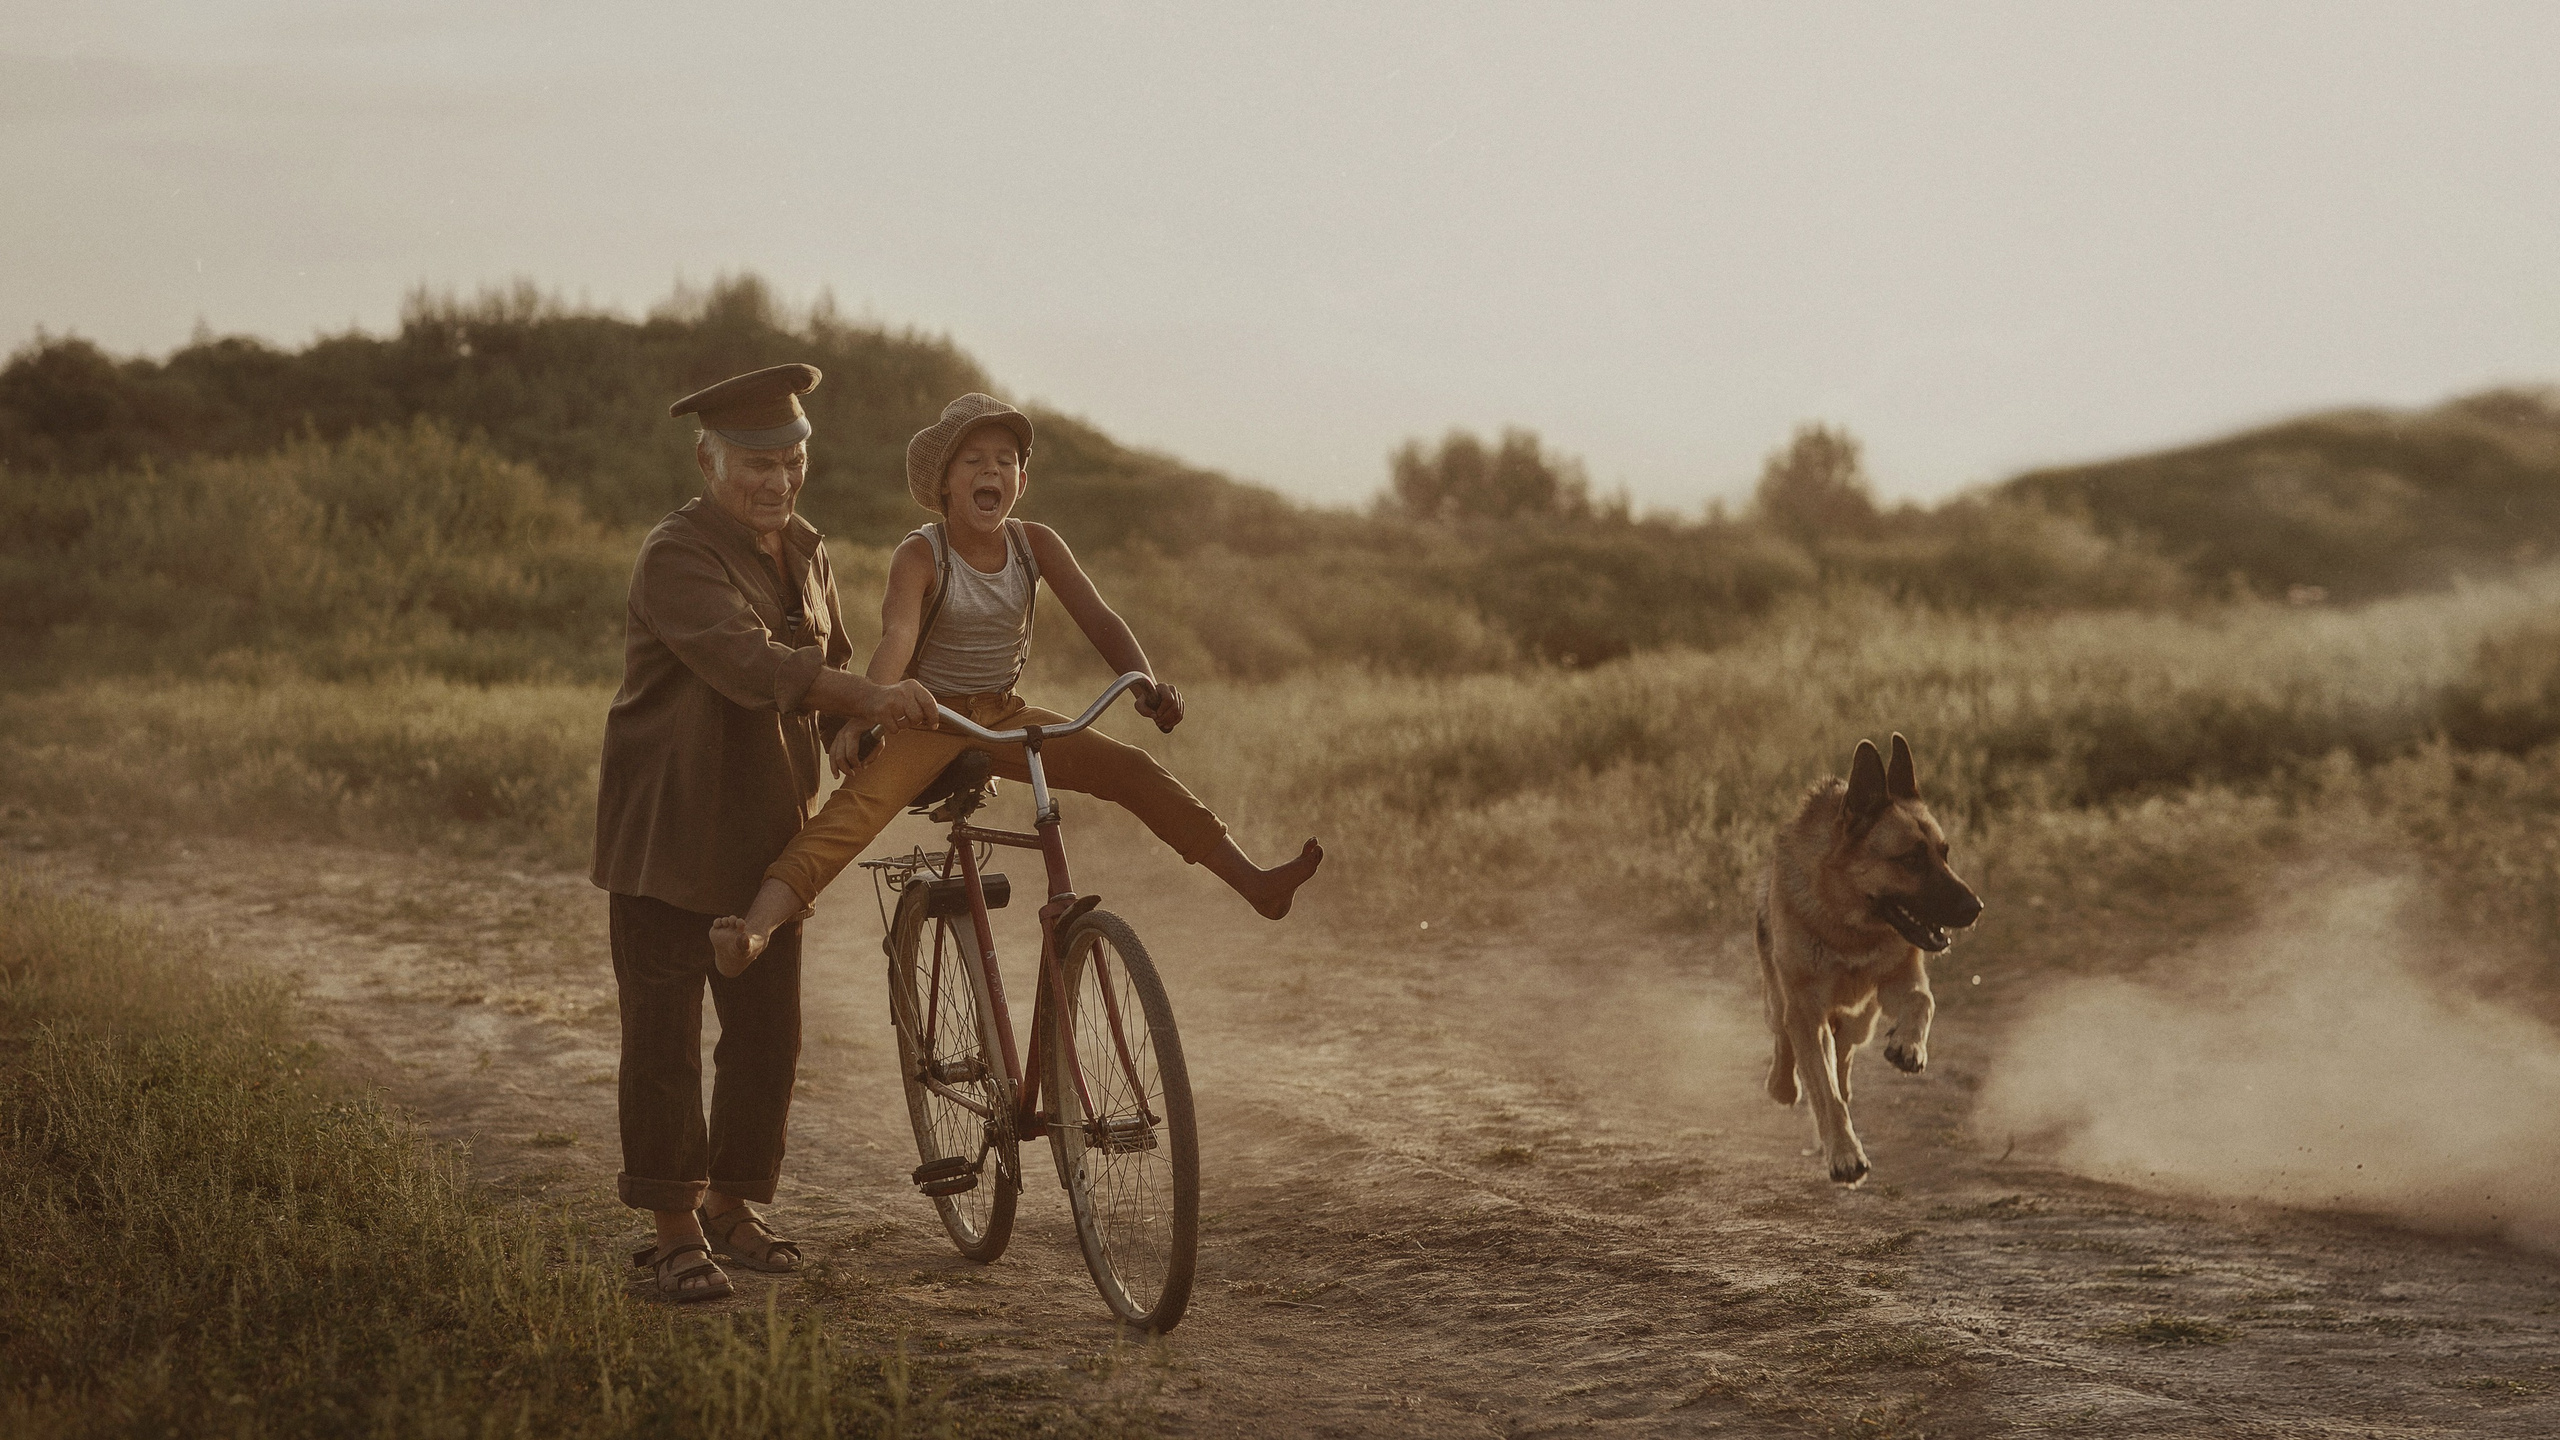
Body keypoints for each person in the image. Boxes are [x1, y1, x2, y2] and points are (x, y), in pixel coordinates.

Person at [708, 391, 1322, 976]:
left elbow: (1100, 618)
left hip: (1004, 714)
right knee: (853, 816)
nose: (992, 471)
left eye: (1006, 461)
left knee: (1132, 770)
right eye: (974, 460)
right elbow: (896, 641)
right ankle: (756, 929)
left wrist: (1144, 685)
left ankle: (1256, 883)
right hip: (929, 718)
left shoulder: (1036, 545)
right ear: (946, 482)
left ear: (1021, 483)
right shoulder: (921, 555)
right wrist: (866, 717)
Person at [591, 363, 939, 1303]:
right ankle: (672, 1232)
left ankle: (733, 1208)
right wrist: (868, 693)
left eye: (790, 460)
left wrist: (846, 731)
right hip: (668, 833)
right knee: (662, 1036)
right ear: (710, 461)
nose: (777, 480)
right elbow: (753, 665)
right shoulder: (676, 555)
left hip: (764, 835)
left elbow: (819, 663)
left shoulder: (809, 550)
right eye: (755, 463)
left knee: (765, 1037)